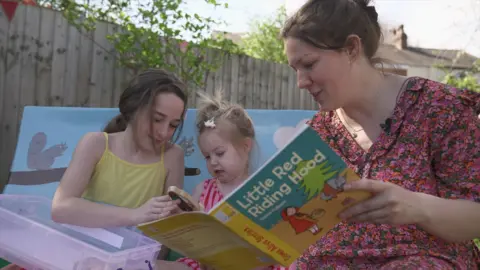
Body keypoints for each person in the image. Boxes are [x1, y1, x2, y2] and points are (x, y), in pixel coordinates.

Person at [281, 0, 480, 269]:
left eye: (309, 64)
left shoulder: (438, 108)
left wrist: (417, 206)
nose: (301, 82)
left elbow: (475, 215)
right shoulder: (316, 134)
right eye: (295, 70)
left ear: (352, 48)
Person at [154, 91, 288, 270]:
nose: (213, 162)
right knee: (154, 266)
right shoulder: (203, 190)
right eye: (207, 157)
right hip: (205, 264)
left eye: (220, 153)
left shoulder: (262, 191)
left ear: (245, 146)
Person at [51, 68, 187, 228]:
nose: (164, 133)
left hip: (138, 251)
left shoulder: (172, 156)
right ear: (133, 109)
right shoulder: (96, 144)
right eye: (156, 119)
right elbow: (60, 208)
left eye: (173, 125)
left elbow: (168, 224)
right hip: (85, 246)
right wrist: (134, 215)